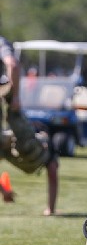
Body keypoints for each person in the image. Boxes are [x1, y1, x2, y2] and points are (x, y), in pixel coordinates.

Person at [0, 34, 59, 216]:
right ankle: (51, 209)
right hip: (30, 150)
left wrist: (4, 191)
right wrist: (16, 96)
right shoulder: (2, 43)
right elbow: (13, 65)